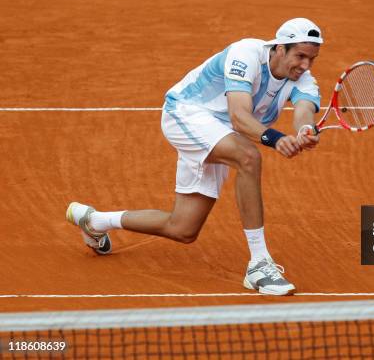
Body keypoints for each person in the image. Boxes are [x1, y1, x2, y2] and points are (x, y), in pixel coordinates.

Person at [65, 18, 324, 296]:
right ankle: (259, 264)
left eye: (312, 59)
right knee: (248, 156)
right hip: (186, 114)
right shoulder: (246, 54)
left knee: (183, 228)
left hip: (218, 132)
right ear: (280, 48)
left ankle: (95, 221)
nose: (305, 65)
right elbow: (239, 116)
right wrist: (275, 139)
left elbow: (304, 110)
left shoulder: (303, 78)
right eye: (300, 56)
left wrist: (305, 130)